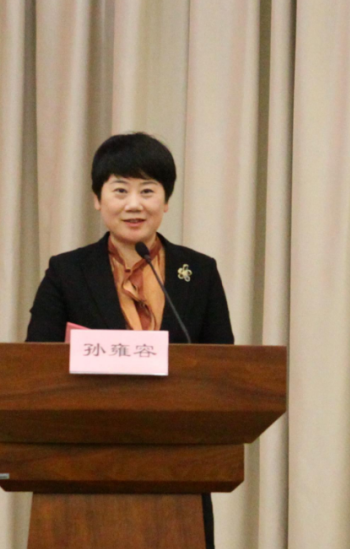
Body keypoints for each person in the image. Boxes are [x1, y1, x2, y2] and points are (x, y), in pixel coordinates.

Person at [26, 132, 233, 548]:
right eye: (120, 190)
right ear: (97, 199)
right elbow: (35, 367)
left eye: (148, 190)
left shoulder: (199, 272)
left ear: (166, 200)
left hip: (177, 468)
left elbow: (223, 368)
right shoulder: (66, 273)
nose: (134, 204)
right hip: (84, 466)